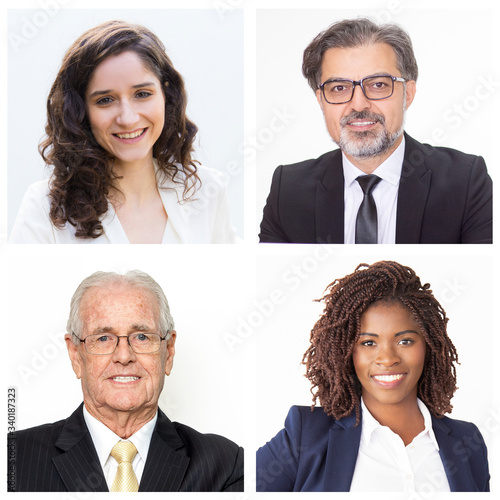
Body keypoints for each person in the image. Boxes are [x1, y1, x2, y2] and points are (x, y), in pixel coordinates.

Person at [256, 261, 489, 492]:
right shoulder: (305, 436)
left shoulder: (468, 442)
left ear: (429, 345)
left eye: (405, 341)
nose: (387, 359)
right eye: (368, 343)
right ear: (345, 352)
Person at [259, 18, 492, 244]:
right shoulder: (288, 191)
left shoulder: (465, 182)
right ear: (321, 100)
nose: (358, 105)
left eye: (378, 85)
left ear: (408, 94)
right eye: (339, 88)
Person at [10, 270, 243, 492]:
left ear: (169, 351)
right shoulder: (14, 459)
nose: (123, 356)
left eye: (141, 336)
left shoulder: (224, 465)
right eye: (103, 338)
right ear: (75, 355)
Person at [10, 21, 236, 243]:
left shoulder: (208, 191)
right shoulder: (43, 207)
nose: (127, 119)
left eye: (142, 94)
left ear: (166, 96)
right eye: (105, 100)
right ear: (81, 112)